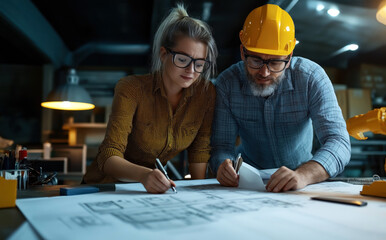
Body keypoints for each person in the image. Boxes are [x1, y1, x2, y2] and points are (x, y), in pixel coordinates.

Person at [209, 4, 350, 192]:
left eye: (275, 62)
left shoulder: (311, 78)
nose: (264, 72)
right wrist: (222, 166)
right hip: (248, 183)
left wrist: (304, 175)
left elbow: (338, 141)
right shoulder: (227, 84)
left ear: (289, 56)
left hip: (301, 179)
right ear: (243, 52)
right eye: (256, 60)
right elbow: (221, 146)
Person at [83, 4, 218, 193]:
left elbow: (199, 151)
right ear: (164, 54)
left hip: (150, 193)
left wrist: (200, 193)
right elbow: (108, 155)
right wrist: (143, 175)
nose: (191, 70)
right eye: (182, 59)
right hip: (105, 187)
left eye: (200, 63)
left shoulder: (206, 93)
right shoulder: (131, 89)